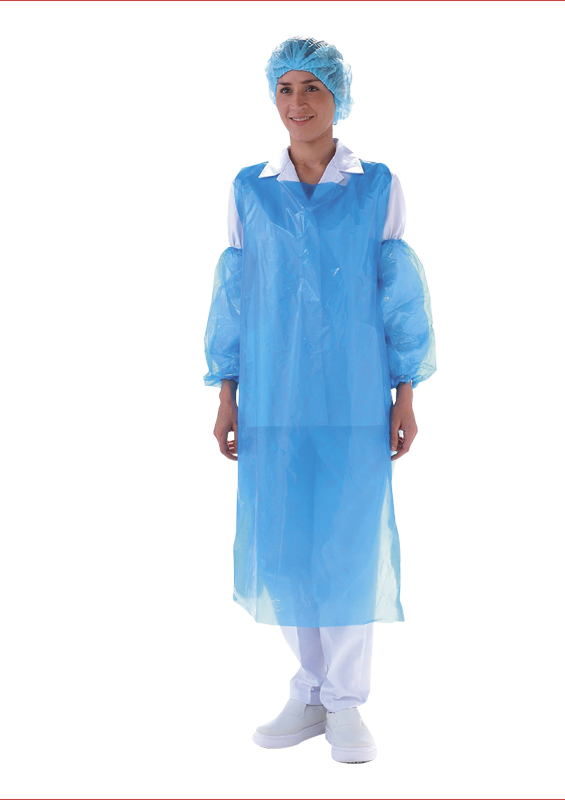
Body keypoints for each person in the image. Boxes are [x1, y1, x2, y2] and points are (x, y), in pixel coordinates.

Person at [203, 35, 436, 764]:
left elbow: (399, 297)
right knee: (286, 547)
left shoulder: (376, 186)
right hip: (273, 398)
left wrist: (405, 393)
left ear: (338, 97)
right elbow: (235, 296)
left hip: (354, 397)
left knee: (348, 544)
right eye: (285, 89)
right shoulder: (250, 189)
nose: (297, 103)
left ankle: (346, 702)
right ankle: (308, 690)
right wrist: (227, 393)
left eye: (312, 89)